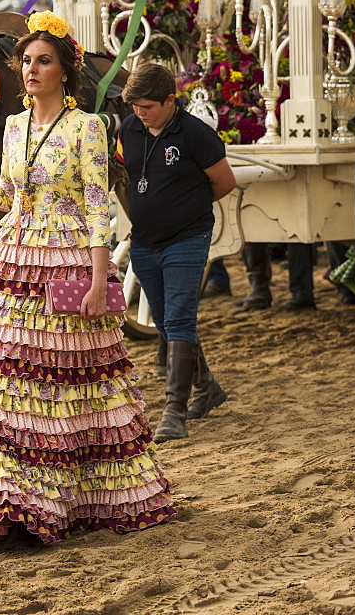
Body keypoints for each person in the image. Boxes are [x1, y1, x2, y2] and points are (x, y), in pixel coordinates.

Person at [0, 11, 175, 550]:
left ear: (65, 70)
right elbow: (8, 196)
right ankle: (15, 507)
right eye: (25, 61)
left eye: (43, 61)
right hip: (18, 263)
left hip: (68, 262)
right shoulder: (15, 127)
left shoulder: (87, 128)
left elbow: (98, 209)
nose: (31, 69)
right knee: (18, 383)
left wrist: (97, 280)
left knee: (72, 386)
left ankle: (76, 502)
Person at [116, 63, 236, 443]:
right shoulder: (128, 129)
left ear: (171, 100)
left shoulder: (197, 134)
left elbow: (224, 182)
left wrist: (188, 207)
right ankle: (208, 388)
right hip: (145, 241)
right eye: (134, 106)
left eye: (147, 106)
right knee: (166, 322)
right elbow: (127, 174)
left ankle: (174, 411)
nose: (140, 112)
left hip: (188, 238)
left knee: (181, 321)